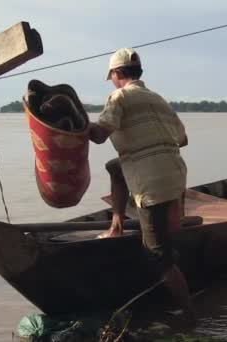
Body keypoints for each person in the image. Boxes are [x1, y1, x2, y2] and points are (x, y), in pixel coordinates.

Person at [88, 48, 193, 318]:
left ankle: (190, 314)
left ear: (118, 73)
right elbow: (183, 139)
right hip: (175, 173)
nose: (111, 80)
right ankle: (117, 224)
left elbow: (99, 135)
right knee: (115, 167)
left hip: (151, 183)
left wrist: (76, 125)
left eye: (111, 74)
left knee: (157, 254)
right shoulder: (157, 98)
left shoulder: (119, 96)